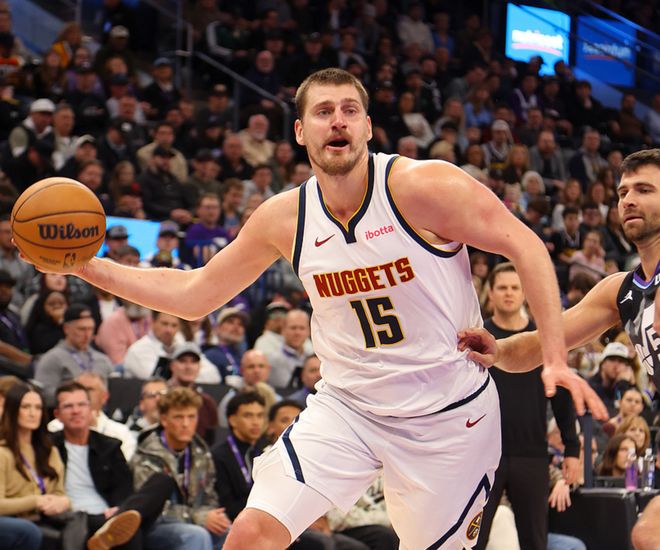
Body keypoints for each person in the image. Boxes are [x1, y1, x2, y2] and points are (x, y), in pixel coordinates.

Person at [32, 68, 601, 550]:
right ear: (302, 132)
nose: (339, 121)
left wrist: (554, 357)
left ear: (368, 127)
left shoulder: (423, 186)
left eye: (350, 110)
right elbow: (196, 294)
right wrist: (87, 267)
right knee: (251, 535)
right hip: (348, 407)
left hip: (446, 416)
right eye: (324, 112)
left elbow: (527, 246)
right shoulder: (284, 217)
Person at [458, 148, 660, 548]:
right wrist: (498, 350)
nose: (628, 200)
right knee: (647, 535)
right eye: (622, 192)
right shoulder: (620, 291)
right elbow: (542, 343)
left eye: (644, 189)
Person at [474, 263, 579, 550]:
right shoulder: (479, 337)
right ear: (490, 293)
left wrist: (572, 449)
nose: (508, 293)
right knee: (472, 541)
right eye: (502, 288)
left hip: (531, 453)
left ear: (524, 293)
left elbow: (561, 396)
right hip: (482, 455)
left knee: (535, 540)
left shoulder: (541, 337)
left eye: (515, 287)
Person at [51, 381, 175, 550]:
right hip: (76, 517)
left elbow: (124, 486)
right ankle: (116, 525)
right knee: (131, 532)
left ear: (91, 409)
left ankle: (118, 521)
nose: (76, 411)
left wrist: (119, 509)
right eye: (68, 406)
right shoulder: (47, 446)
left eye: (81, 405)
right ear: (57, 414)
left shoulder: (109, 445)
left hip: (110, 514)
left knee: (163, 480)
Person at [131, 386, 230, 549]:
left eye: (191, 417)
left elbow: (209, 498)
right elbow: (150, 508)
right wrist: (198, 517)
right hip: (155, 526)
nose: (186, 424)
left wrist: (212, 517)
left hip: (192, 523)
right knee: (196, 535)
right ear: (164, 420)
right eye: (178, 417)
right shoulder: (147, 454)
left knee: (230, 532)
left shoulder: (201, 453)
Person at [0, 382, 85, 547]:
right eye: (26, 407)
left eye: (38, 408)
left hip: (43, 517)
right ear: (13, 410)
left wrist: (64, 502)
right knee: (29, 531)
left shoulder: (49, 451)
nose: (33, 413)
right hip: (11, 520)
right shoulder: (3, 452)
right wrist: (36, 501)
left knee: (84, 521)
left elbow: (59, 493)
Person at [34, 303, 114, 406]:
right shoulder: (52, 359)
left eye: (90, 329)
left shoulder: (103, 359)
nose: (87, 335)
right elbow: (43, 395)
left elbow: (116, 392)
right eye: (81, 329)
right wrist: (72, 392)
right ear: (66, 329)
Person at [211, 391, 267, 521]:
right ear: (232, 420)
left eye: (260, 416)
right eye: (248, 416)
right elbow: (226, 505)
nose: (256, 422)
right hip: (236, 521)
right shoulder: (218, 455)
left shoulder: (267, 451)